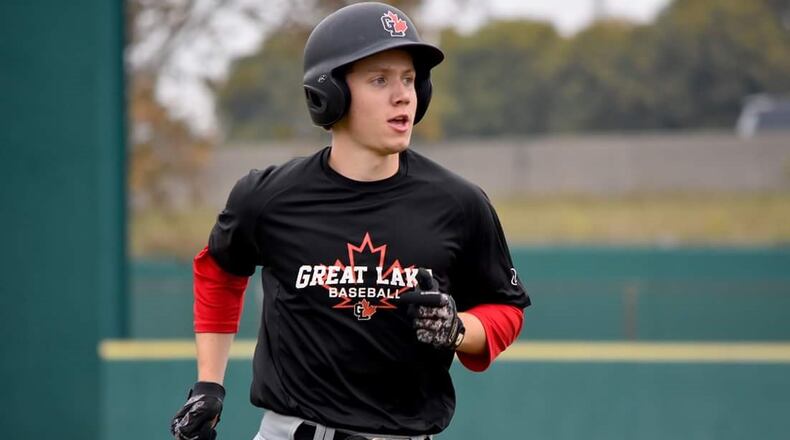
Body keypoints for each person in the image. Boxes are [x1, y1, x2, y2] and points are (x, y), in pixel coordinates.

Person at [170, 2, 530, 440]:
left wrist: (457, 330)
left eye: (409, 79)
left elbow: (505, 307)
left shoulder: (459, 203)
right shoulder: (268, 198)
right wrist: (209, 386)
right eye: (380, 79)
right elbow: (220, 270)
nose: (403, 95)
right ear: (329, 93)